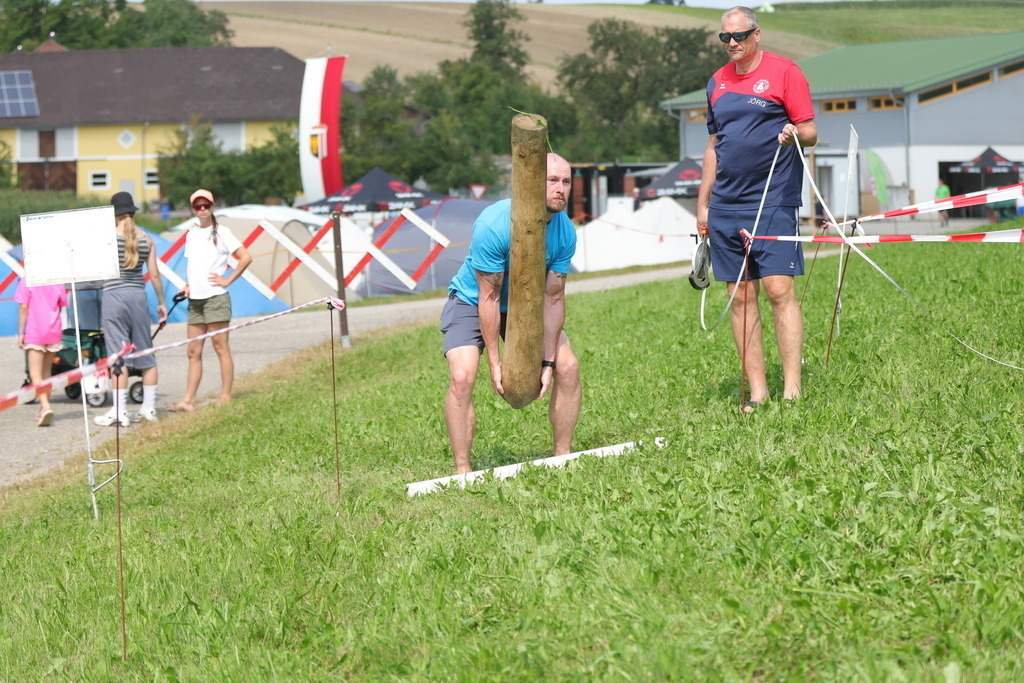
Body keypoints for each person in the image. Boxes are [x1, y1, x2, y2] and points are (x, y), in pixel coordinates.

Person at [696, 6, 817, 413]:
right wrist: (703, 204)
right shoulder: (715, 83)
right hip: (727, 205)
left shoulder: (786, 72)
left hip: (773, 197)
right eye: (725, 38)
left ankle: (793, 390)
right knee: (741, 296)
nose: (732, 43)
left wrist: (793, 131)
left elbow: (811, 130)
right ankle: (758, 392)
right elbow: (715, 145)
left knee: (779, 289)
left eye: (740, 36)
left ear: (757, 34)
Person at [441, 153, 582, 474]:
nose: (560, 189)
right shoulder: (494, 224)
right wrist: (495, 361)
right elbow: (488, 297)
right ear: (532, 183)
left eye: (565, 181)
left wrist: (547, 362)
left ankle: (563, 457)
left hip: (525, 305)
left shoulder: (565, 232)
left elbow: (554, 299)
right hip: (471, 300)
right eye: (552, 180)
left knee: (568, 366)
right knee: (463, 375)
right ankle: (463, 471)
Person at [166, 189, 253, 412]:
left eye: (206, 205)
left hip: (216, 298)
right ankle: (188, 401)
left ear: (213, 206)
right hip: (195, 299)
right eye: (198, 206)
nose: (202, 209)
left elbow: (246, 257)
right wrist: (187, 285)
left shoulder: (223, 232)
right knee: (193, 352)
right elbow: (193, 265)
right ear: (193, 209)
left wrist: (228, 280)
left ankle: (225, 396)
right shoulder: (191, 234)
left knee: (220, 348)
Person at [94, 191, 167, 426]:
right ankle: (148, 409)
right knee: (146, 353)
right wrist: (162, 302)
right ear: (133, 213)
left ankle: (119, 412)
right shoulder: (147, 239)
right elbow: (154, 275)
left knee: (118, 356)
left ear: (114, 215)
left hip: (114, 297)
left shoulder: (106, 239)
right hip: (138, 297)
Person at [15, 278, 68, 426]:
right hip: (54, 330)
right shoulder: (58, 280)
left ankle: (45, 406)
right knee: (46, 372)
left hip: (35, 331)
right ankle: (42, 409)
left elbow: (23, 307)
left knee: (35, 373)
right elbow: (61, 306)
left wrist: (21, 332)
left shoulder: (28, 280)